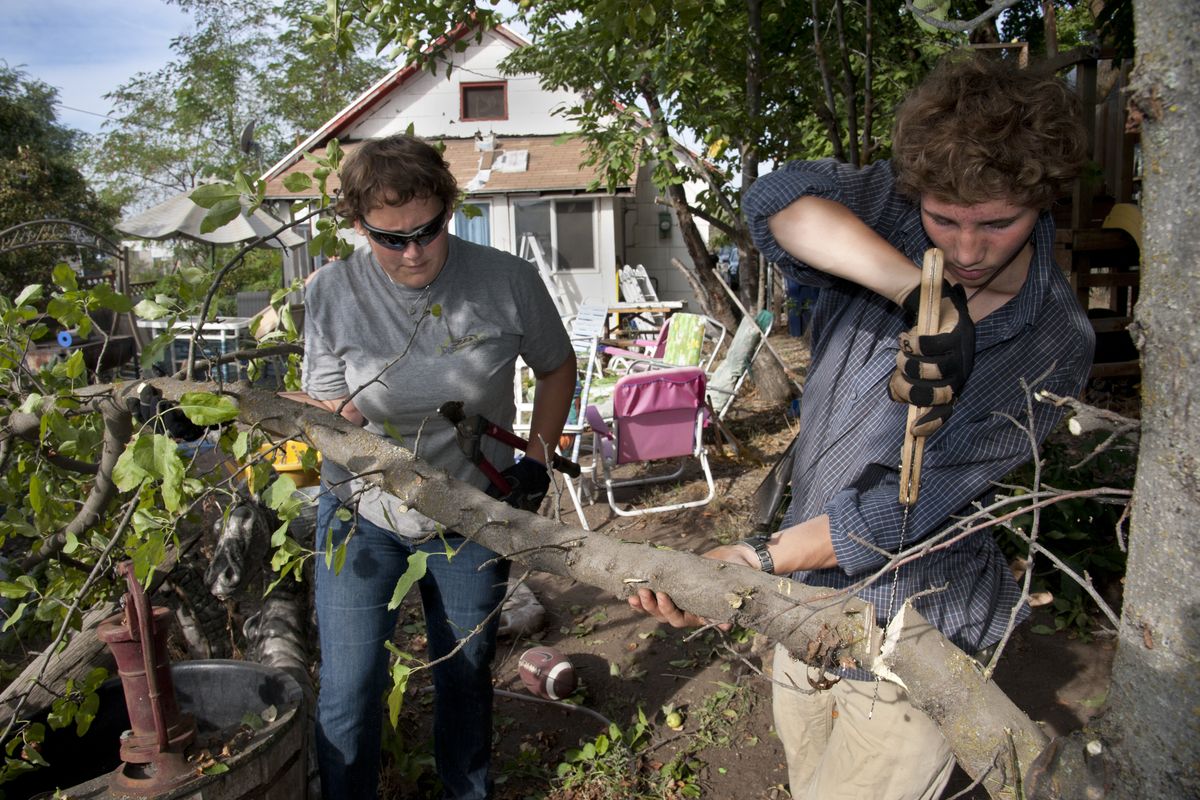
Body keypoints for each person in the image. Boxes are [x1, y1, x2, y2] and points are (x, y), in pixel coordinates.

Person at [630, 53, 1093, 800]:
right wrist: (918, 293)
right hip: (800, 597)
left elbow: (904, 506)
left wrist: (751, 560)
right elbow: (774, 199)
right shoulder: (889, 212)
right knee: (805, 774)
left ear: (1043, 201)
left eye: (999, 222)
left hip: (914, 631)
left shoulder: (1056, 337)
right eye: (946, 219)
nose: (968, 250)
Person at [298, 133, 576, 799]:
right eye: (390, 238)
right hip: (361, 513)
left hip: (469, 513)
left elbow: (556, 366)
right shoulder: (332, 292)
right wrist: (335, 417)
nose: (414, 251)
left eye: (428, 230)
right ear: (358, 225)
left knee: (464, 670)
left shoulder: (507, 281)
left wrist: (535, 460)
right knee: (347, 688)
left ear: (449, 208)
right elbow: (329, 409)